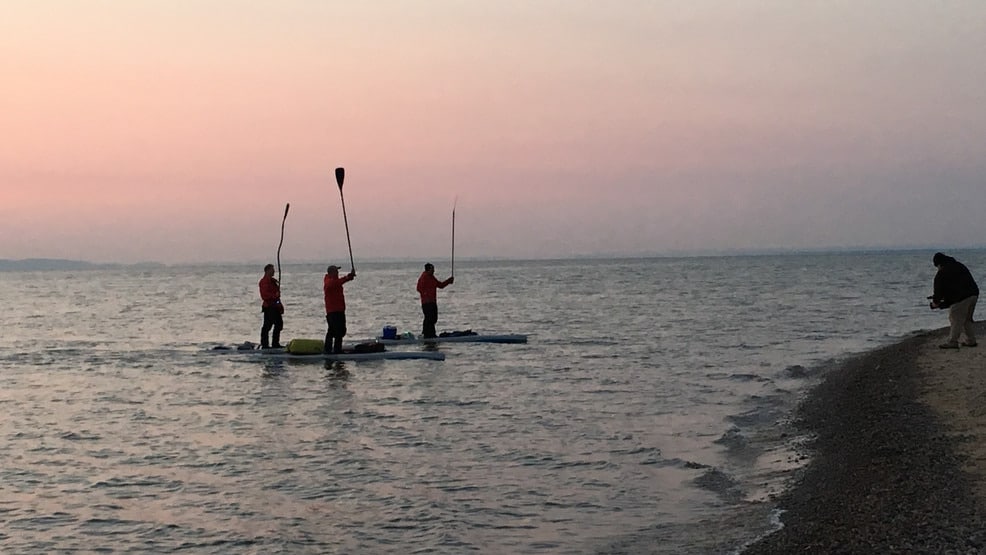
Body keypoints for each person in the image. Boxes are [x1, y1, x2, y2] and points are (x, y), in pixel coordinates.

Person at [929, 252, 979, 349]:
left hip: (963, 297)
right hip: (974, 294)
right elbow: (956, 287)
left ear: (939, 264)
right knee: (966, 319)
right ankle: (971, 340)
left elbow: (938, 293)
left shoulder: (941, 273)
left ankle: (952, 341)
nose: (937, 268)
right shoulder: (959, 265)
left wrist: (935, 303)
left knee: (955, 317)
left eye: (937, 266)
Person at [416, 263, 454, 338]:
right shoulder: (424, 277)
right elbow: (419, 288)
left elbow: (440, 285)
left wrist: (448, 281)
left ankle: (430, 334)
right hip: (426, 302)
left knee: (433, 318)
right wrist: (426, 294)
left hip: (432, 301)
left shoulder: (432, 277)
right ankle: (427, 334)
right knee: (429, 318)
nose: (434, 271)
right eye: (432, 269)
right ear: (428, 269)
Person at [323, 265, 356, 353]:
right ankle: (330, 350)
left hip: (340, 309)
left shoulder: (335, 281)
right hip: (333, 311)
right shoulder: (328, 282)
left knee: (341, 330)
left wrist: (349, 277)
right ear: (331, 273)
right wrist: (348, 277)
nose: (337, 273)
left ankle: (336, 348)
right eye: (336, 271)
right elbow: (336, 283)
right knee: (333, 331)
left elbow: (339, 282)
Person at [258, 263, 284, 349]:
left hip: (275, 306)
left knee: (279, 324)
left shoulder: (273, 282)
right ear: (267, 270)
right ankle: (265, 344)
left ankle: (275, 343)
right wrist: (275, 296)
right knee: (267, 326)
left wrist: (280, 305)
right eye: (272, 270)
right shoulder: (264, 282)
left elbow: (276, 297)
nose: (274, 271)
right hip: (269, 307)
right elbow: (265, 296)